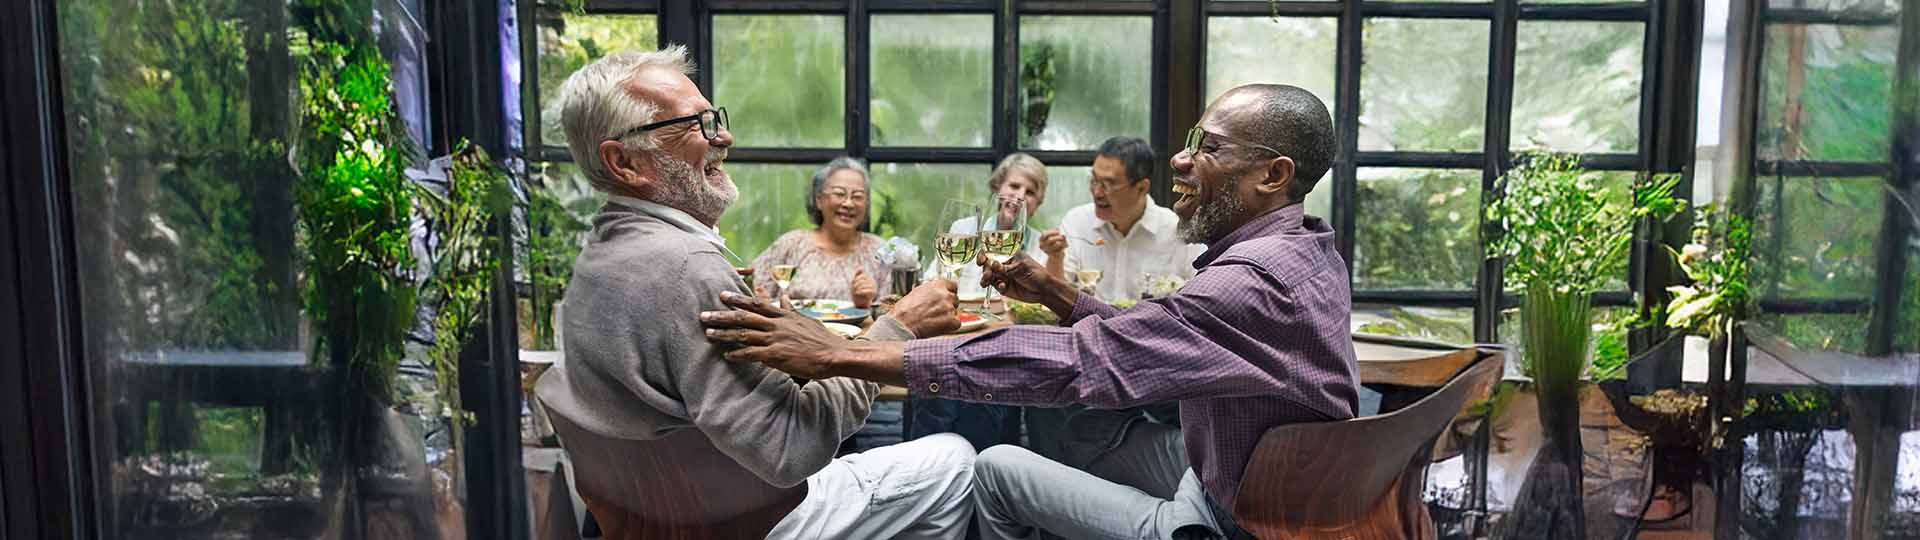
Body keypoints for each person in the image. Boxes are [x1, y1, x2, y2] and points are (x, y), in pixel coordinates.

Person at [701, 83, 1357, 540]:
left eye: (1208, 147)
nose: (1181, 159)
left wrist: (838, 353)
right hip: (1235, 480)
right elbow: (1156, 335)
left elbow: (1080, 362)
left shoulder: (1252, 282)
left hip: (1230, 519)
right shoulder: (1305, 250)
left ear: (1272, 176)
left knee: (991, 468)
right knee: (1071, 435)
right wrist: (1054, 293)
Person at [531, 46, 977, 540]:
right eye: (696, 124)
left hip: (671, 512)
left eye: (714, 118)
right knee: (955, 459)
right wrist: (899, 327)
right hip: (746, 518)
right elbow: (793, 449)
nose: (725, 136)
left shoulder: (600, 256)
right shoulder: (687, 267)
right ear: (625, 162)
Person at [1023, 136, 1202, 484]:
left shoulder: (1176, 230)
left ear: (1142, 186)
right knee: (1040, 390)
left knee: (1195, 404)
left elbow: (1198, 299)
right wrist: (1055, 258)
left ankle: (1189, 488)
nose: (1097, 192)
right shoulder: (1077, 222)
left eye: (1109, 184)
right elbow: (1054, 302)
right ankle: (1051, 490)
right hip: (1090, 356)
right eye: (1094, 180)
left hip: (1155, 361)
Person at [907, 152, 1060, 451]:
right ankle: (925, 469)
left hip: (1002, 347)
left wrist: (1056, 257)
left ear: (1038, 203)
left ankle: (975, 474)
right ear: (997, 187)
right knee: (937, 398)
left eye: (1030, 192)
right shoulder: (965, 229)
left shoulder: (1040, 246)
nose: (1020, 196)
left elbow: (1046, 306)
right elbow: (933, 281)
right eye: (1014, 186)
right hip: (951, 337)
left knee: (983, 403)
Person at [750, 157, 889, 308]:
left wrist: (866, 304)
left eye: (858, 196)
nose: (848, 203)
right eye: (839, 194)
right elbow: (751, 289)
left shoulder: (881, 252)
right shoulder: (791, 244)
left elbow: (892, 314)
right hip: (793, 331)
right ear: (819, 200)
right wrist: (759, 299)